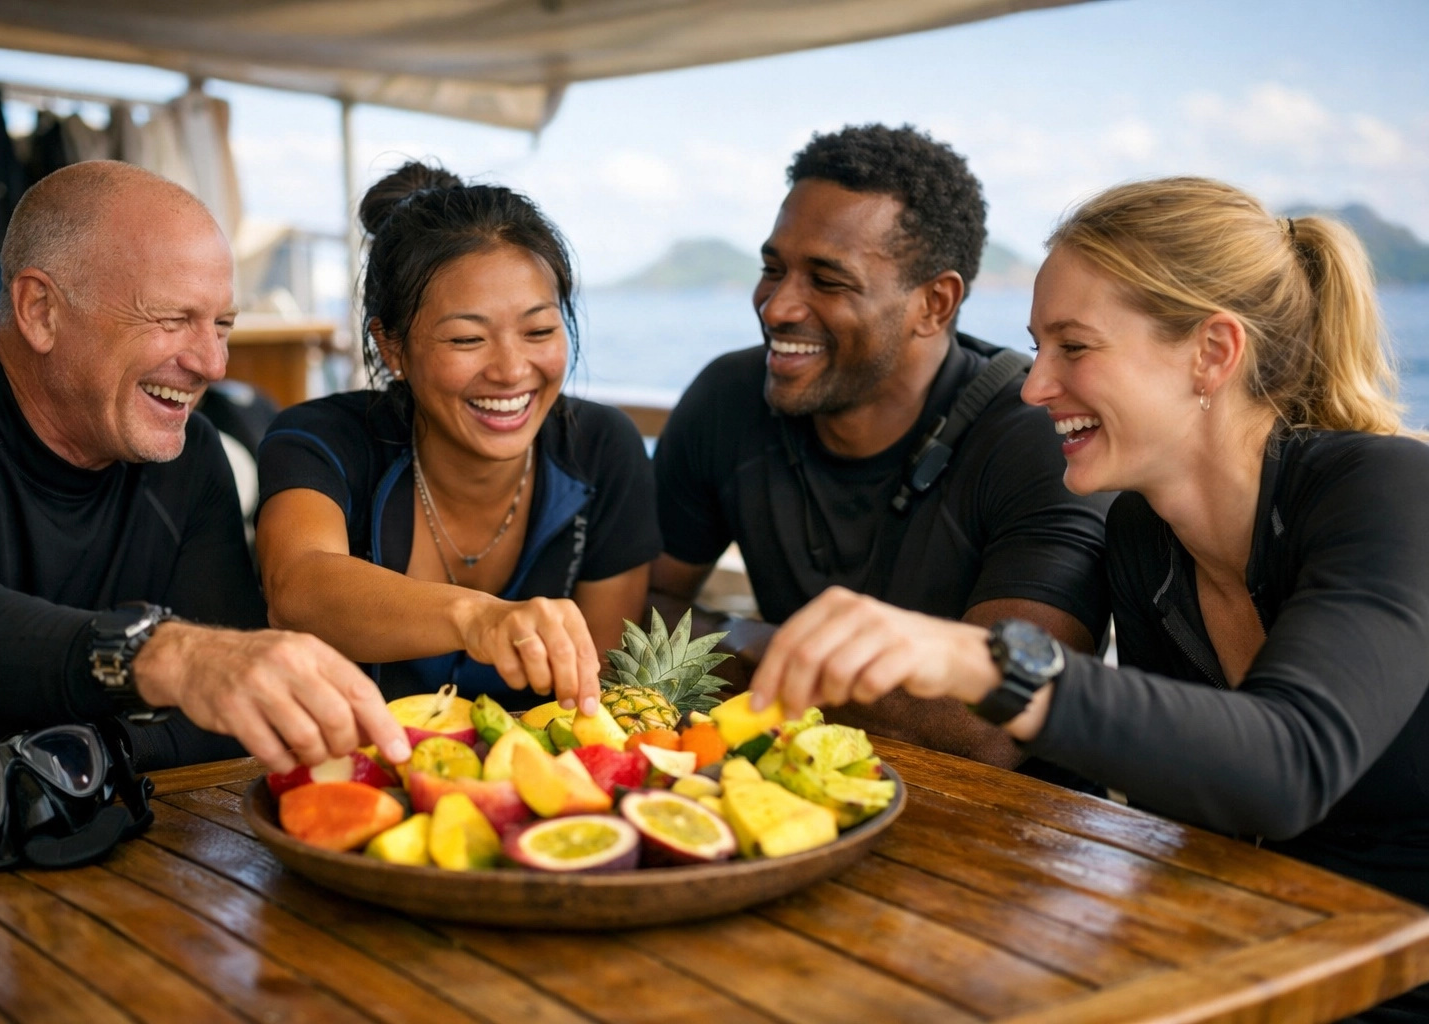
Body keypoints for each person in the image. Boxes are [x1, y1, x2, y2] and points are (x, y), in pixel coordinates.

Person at [751, 177, 1429, 985]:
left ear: (1212, 353)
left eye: (1073, 348)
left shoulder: (1388, 490)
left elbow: (1288, 767)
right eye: (1036, 348)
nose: (1035, 386)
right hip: (1271, 965)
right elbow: (1185, 815)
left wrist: (985, 662)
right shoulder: (1143, 537)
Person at [0, 161, 411, 792]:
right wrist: (165, 655)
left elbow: (221, 721)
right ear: (40, 309)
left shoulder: (191, 455)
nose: (212, 363)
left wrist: (76, 759)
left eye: (221, 325)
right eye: (171, 319)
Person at [650, 124, 1111, 768]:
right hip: (797, 788)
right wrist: (768, 644)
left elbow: (991, 722)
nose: (778, 307)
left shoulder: (1034, 434)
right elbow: (635, 611)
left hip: (1006, 827)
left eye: (828, 280)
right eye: (773, 269)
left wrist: (748, 647)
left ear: (935, 302)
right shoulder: (728, 397)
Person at [256, 163, 659, 714]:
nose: (512, 370)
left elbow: (603, 691)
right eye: (468, 338)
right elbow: (297, 590)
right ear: (391, 346)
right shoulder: (320, 438)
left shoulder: (601, 449)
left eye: (539, 330)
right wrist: (479, 618)